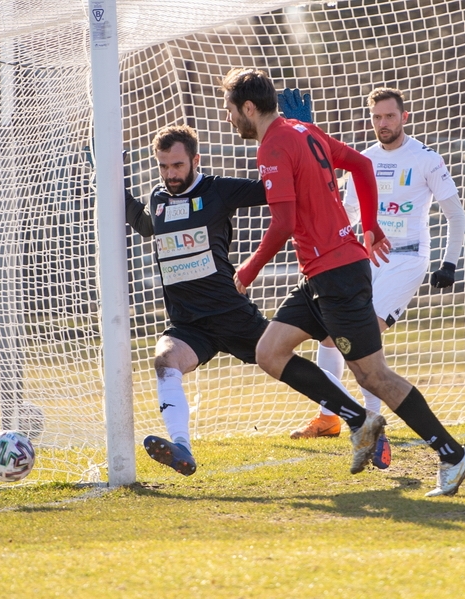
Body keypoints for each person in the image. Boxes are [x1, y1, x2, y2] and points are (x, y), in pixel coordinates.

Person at [222, 68, 465, 496]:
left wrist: (247, 270)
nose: (228, 118)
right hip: (323, 273)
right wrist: (371, 223)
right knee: (269, 351)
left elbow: (282, 222)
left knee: (374, 376)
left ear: (249, 107)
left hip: (337, 274)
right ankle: (360, 421)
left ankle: (452, 454)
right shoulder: (302, 129)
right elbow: (360, 163)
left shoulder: (273, 146)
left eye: (230, 109)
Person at [124, 124, 361, 476]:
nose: (170, 174)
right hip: (189, 324)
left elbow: (279, 191)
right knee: (164, 361)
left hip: (231, 314)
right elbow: (147, 226)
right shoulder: (159, 199)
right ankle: (182, 449)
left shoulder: (218, 190)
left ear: (194, 159)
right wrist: (110, 181)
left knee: (284, 365)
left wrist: (303, 153)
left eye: (177, 165)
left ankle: (361, 418)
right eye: (163, 166)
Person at [280, 87, 465, 473]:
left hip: (406, 260)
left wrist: (449, 263)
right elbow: (346, 213)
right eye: (377, 118)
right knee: (331, 335)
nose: (383, 124)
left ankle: (372, 427)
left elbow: (455, 215)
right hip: (365, 259)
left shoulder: (426, 159)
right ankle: (330, 416)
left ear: (404, 116)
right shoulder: (362, 160)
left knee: (366, 339)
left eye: (390, 116)